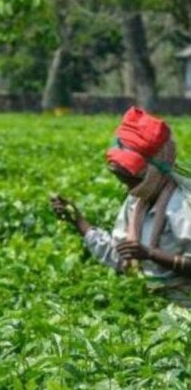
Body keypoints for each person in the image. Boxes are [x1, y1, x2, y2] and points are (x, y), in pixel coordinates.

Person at [51, 107, 191, 306]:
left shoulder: (183, 206)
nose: (129, 188)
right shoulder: (137, 203)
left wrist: (151, 254)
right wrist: (78, 221)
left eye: (131, 179)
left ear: (153, 171)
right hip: (146, 304)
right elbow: (121, 255)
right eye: (122, 179)